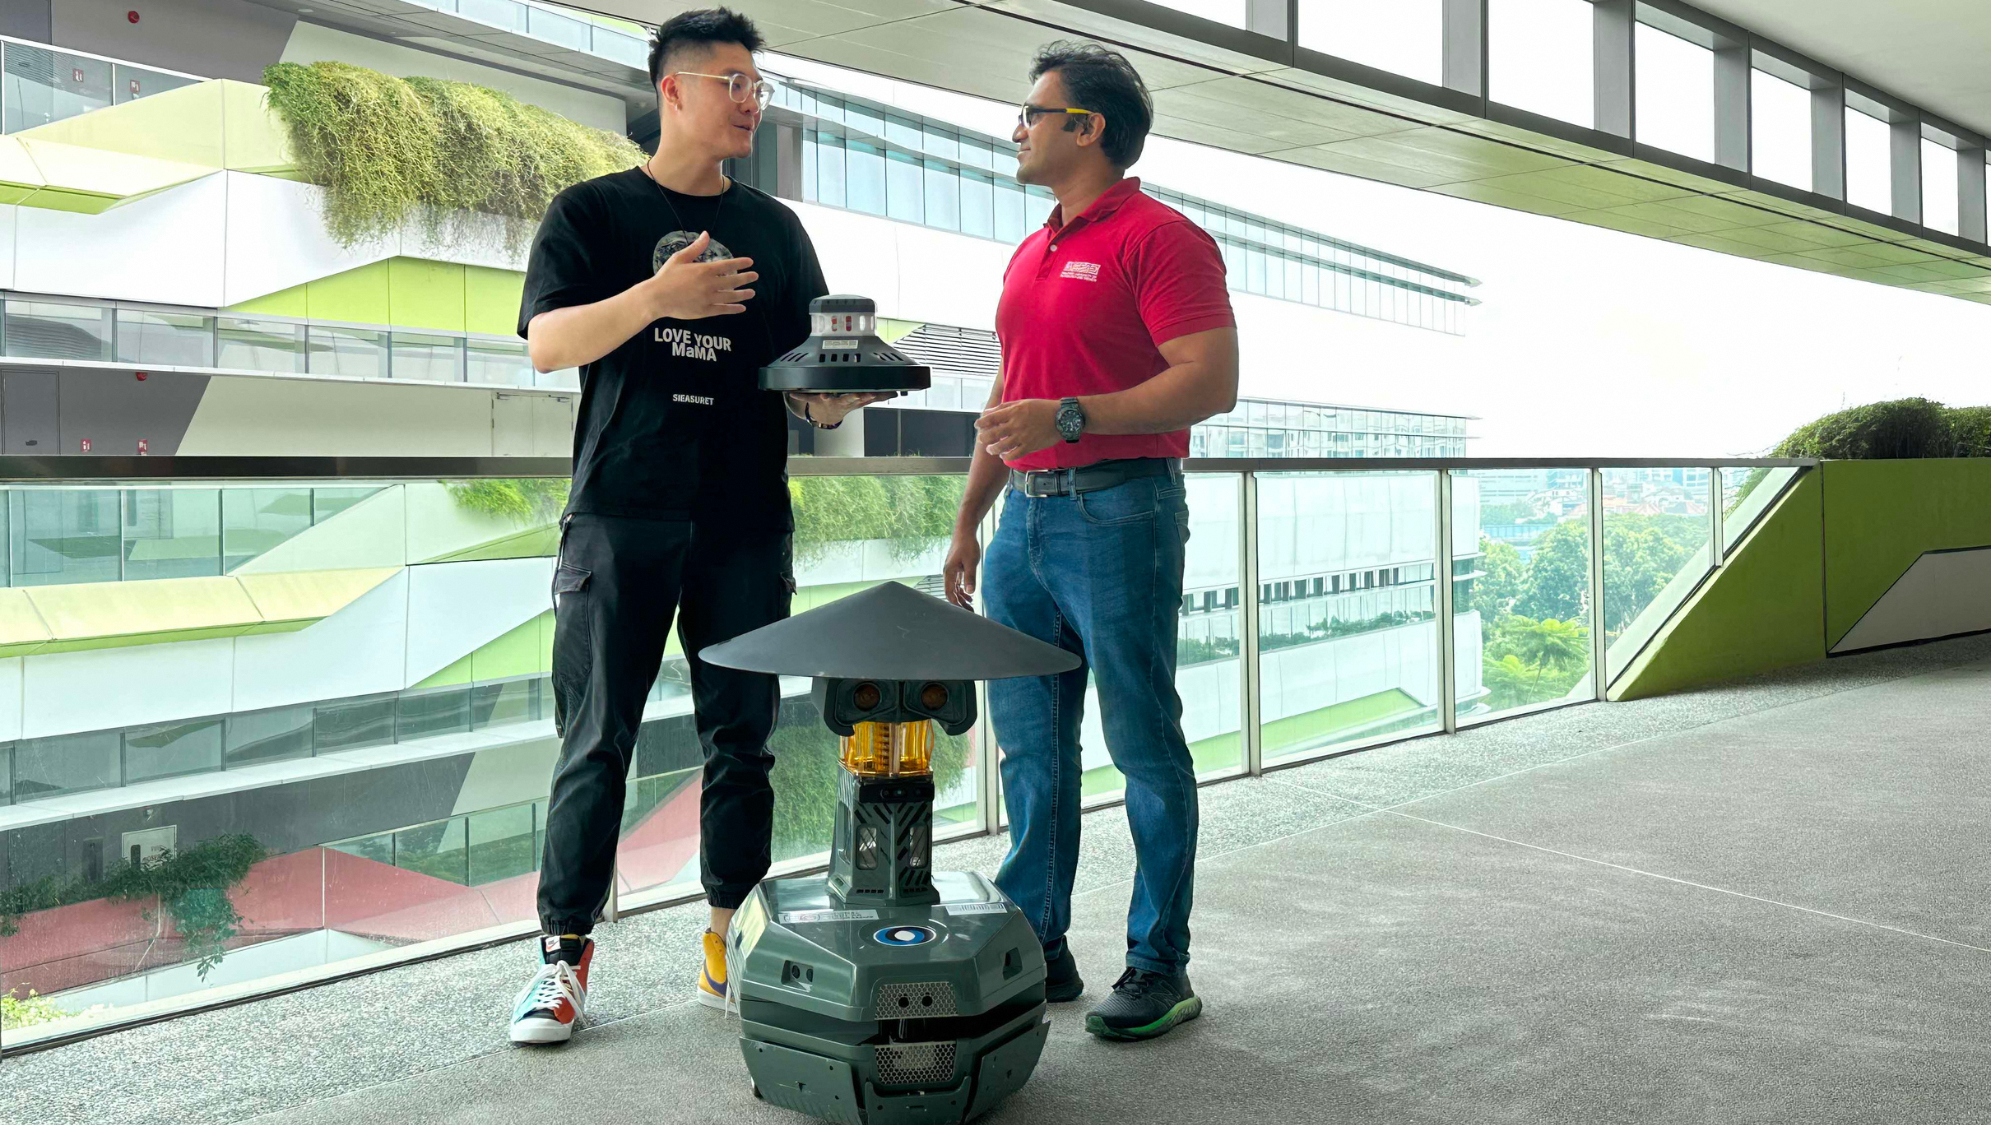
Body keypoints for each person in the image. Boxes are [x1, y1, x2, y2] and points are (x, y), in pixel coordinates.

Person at [507, 7, 884, 1045]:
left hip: (742, 516)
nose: (751, 99)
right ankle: (562, 957)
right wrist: (660, 294)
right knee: (595, 742)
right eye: (731, 81)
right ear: (672, 90)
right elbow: (548, 344)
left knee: (743, 741)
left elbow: (802, 381)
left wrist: (831, 400)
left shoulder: (774, 230)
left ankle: (731, 935)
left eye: (758, 83)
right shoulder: (591, 212)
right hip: (621, 513)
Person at [943, 41, 1238, 1043]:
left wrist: (1068, 419)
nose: (1017, 127)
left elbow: (1207, 382)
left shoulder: (1161, 238)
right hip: (1023, 521)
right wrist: (969, 520)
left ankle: (1160, 964)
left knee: (1141, 742)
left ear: (1088, 128)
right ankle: (1039, 945)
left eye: (1032, 111)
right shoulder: (1030, 249)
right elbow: (1006, 395)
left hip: (1121, 510)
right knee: (1030, 749)